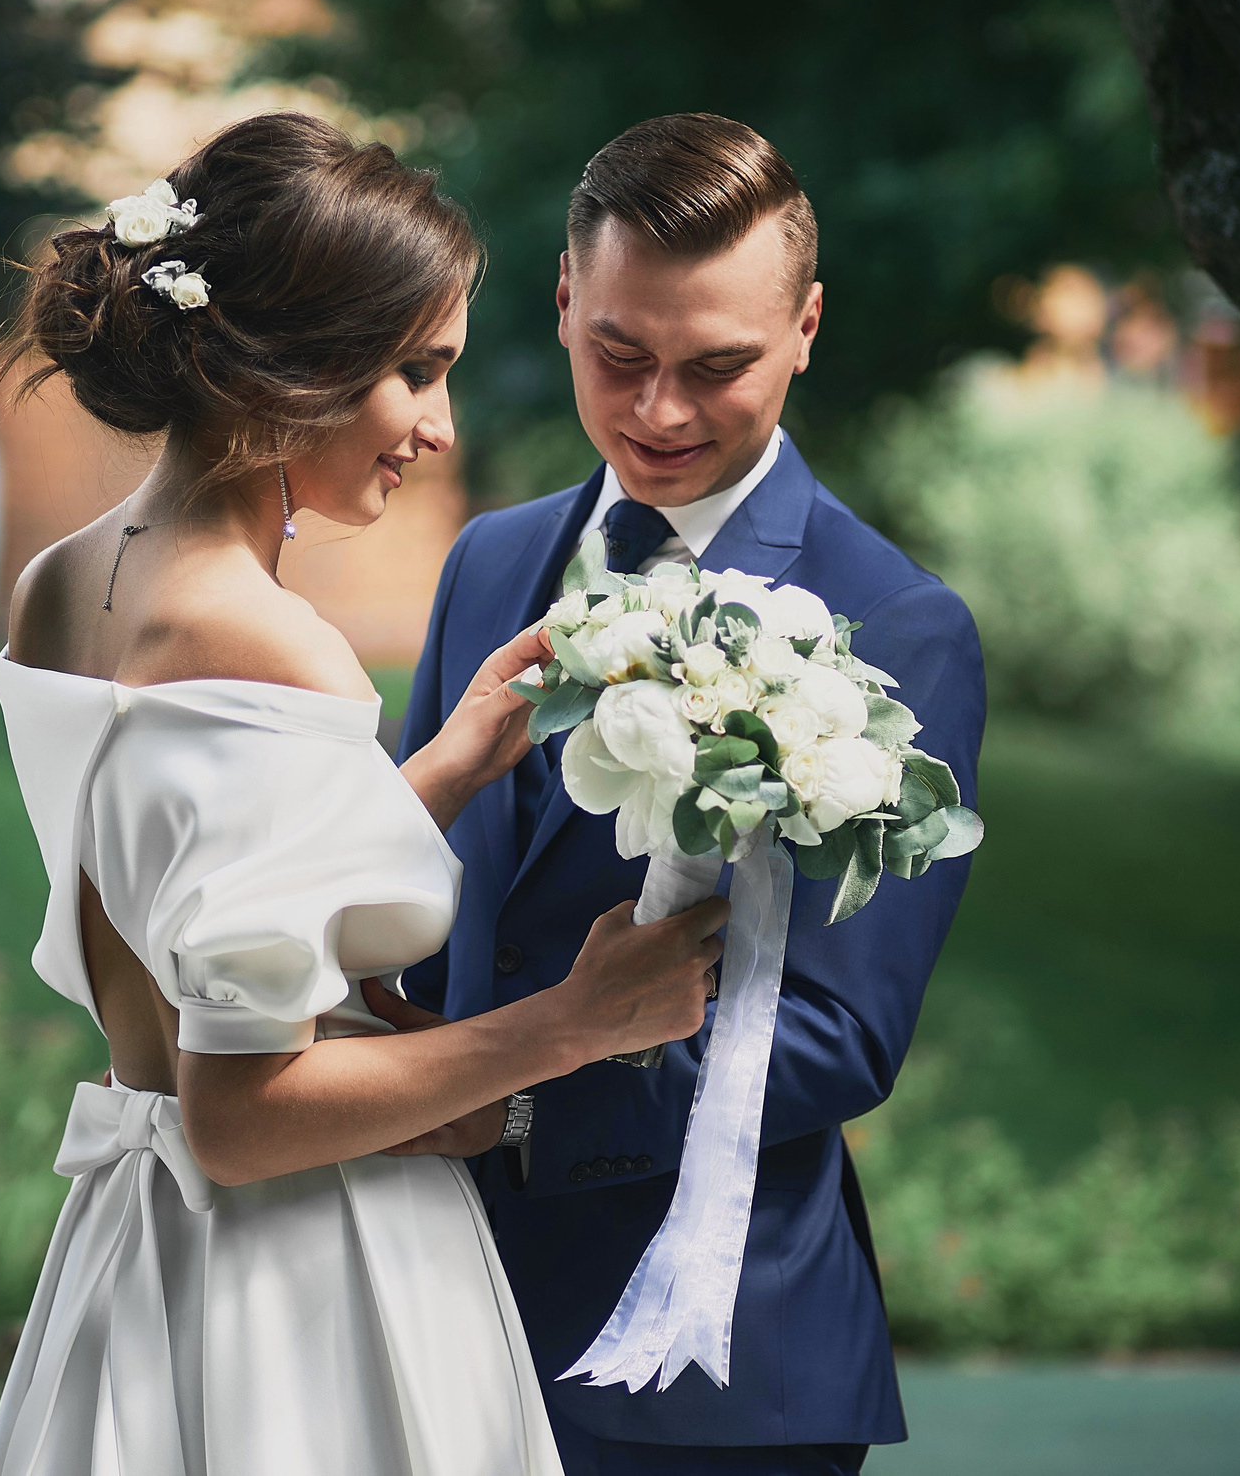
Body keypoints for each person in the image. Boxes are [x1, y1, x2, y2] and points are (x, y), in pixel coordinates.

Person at [0, 111, 731, 1476]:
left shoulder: (64, 583)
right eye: (415, 373)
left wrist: (446, 762)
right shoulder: (268, 642)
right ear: (290, 368)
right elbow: (244, 1116)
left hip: (134, 1252)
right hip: (303, 1282)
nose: (438, 429)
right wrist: (574, 1023)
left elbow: (187, 900)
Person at [398, 114, 987, 1476]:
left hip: (711, 1353)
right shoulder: (488, 563)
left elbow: (842, 1032)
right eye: (621, 354)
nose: (659, 411)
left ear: (807, 328)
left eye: (716, 366)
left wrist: (523, 1097)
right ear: (560, 300)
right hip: (435, 1307)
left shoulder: (898, 623)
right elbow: (425, 900)